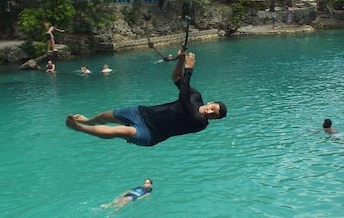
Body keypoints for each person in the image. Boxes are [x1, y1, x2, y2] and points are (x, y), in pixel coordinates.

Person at [65, 50, 227, 147]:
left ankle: (79, 128)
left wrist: (189, 70)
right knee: (102, 116)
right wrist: (180, 61)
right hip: (142, 113)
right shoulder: (196, 96)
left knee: (120, 130)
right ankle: (87, 121)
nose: (210, 112)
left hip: (151, 133)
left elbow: (184, 99)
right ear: (210, 103)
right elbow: (177, 78)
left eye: (214, 115)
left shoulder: (200, 122)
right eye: (213, 108)